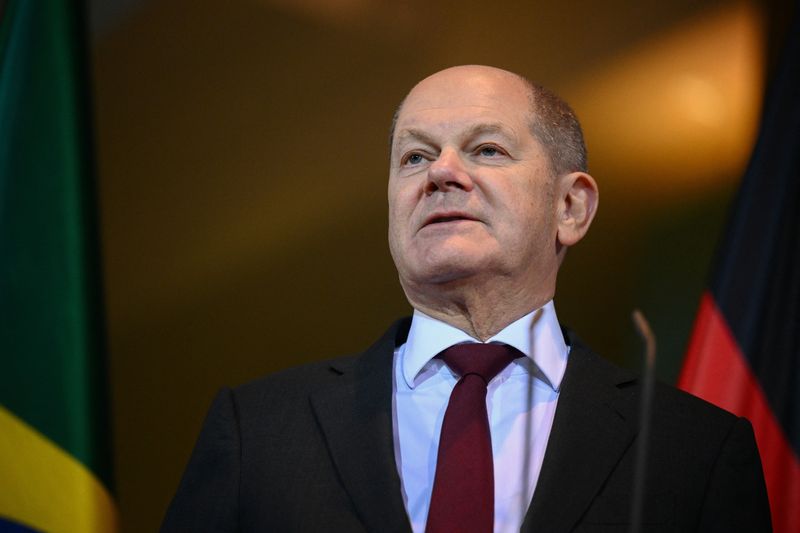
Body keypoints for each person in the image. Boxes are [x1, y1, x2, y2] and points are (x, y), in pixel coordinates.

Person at [161, 65, 771, 532]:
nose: (440, 173)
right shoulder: (257, 431)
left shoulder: (695, 450)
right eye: (415, 155)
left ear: (570, 207)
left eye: (486, 150)